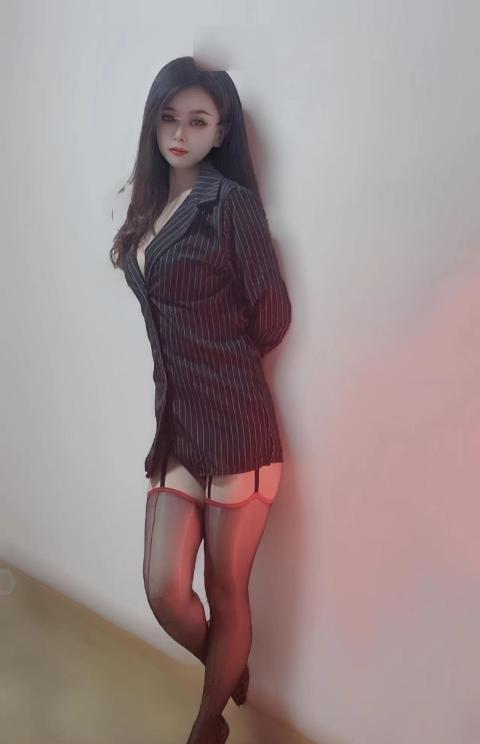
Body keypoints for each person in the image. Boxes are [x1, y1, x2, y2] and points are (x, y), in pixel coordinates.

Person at [110, 56, 292, 744]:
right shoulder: (147, 207)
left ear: (221, 131)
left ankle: (207, 724)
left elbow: (273, 317)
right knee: (164, 589)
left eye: (197, 120)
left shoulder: (229, 205)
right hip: (177, 427)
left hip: (239, 428)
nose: (179, 134)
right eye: (168, 118)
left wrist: (221, 360)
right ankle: (229, 664)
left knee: (225, 590)